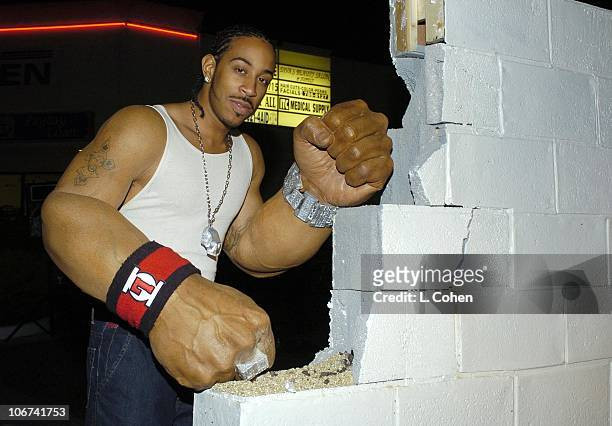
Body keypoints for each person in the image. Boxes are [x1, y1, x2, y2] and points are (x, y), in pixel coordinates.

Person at [41, 25, 393, 425]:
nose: (251, 89)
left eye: (263, 79)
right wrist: (171, 299)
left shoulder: (248, 153)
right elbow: (68, 211)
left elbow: (251, 250)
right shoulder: (144, 125)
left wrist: (315, 195)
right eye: (240, 70)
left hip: (208, 341)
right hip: (130, 334)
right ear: (210, 66)